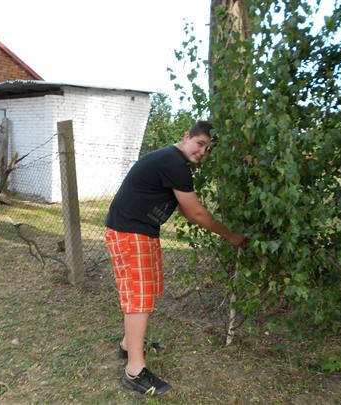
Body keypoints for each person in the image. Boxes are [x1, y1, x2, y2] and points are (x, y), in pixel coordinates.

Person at [104, 121, 245, 396]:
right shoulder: (173, 162)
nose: (203, 151)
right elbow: (194, 213)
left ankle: (128, 345)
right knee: (139, 297)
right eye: (200, 144)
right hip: (129, 231)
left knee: (148, 291)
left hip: (141, 230)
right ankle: (134, 371)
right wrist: (230, 235)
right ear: (187, 136)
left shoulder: (174, 163)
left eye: (208, 149)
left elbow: (182, 208)